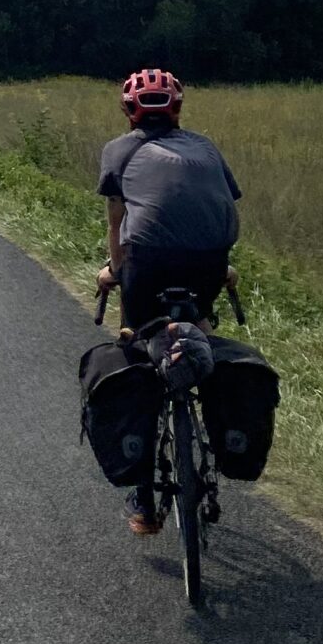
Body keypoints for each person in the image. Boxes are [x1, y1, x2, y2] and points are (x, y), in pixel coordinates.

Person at [94, 67, 242, 536]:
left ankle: (143, 498)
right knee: (198, 330)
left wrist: (114, 273)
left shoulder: (119, 150)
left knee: (136, 347)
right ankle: (211, 426)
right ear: (177, 109)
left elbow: (119, 223)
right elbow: (216, 206)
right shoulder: (206, 148)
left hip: (147, 263)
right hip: (209, 262)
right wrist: (222, 269)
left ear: (128, 110)